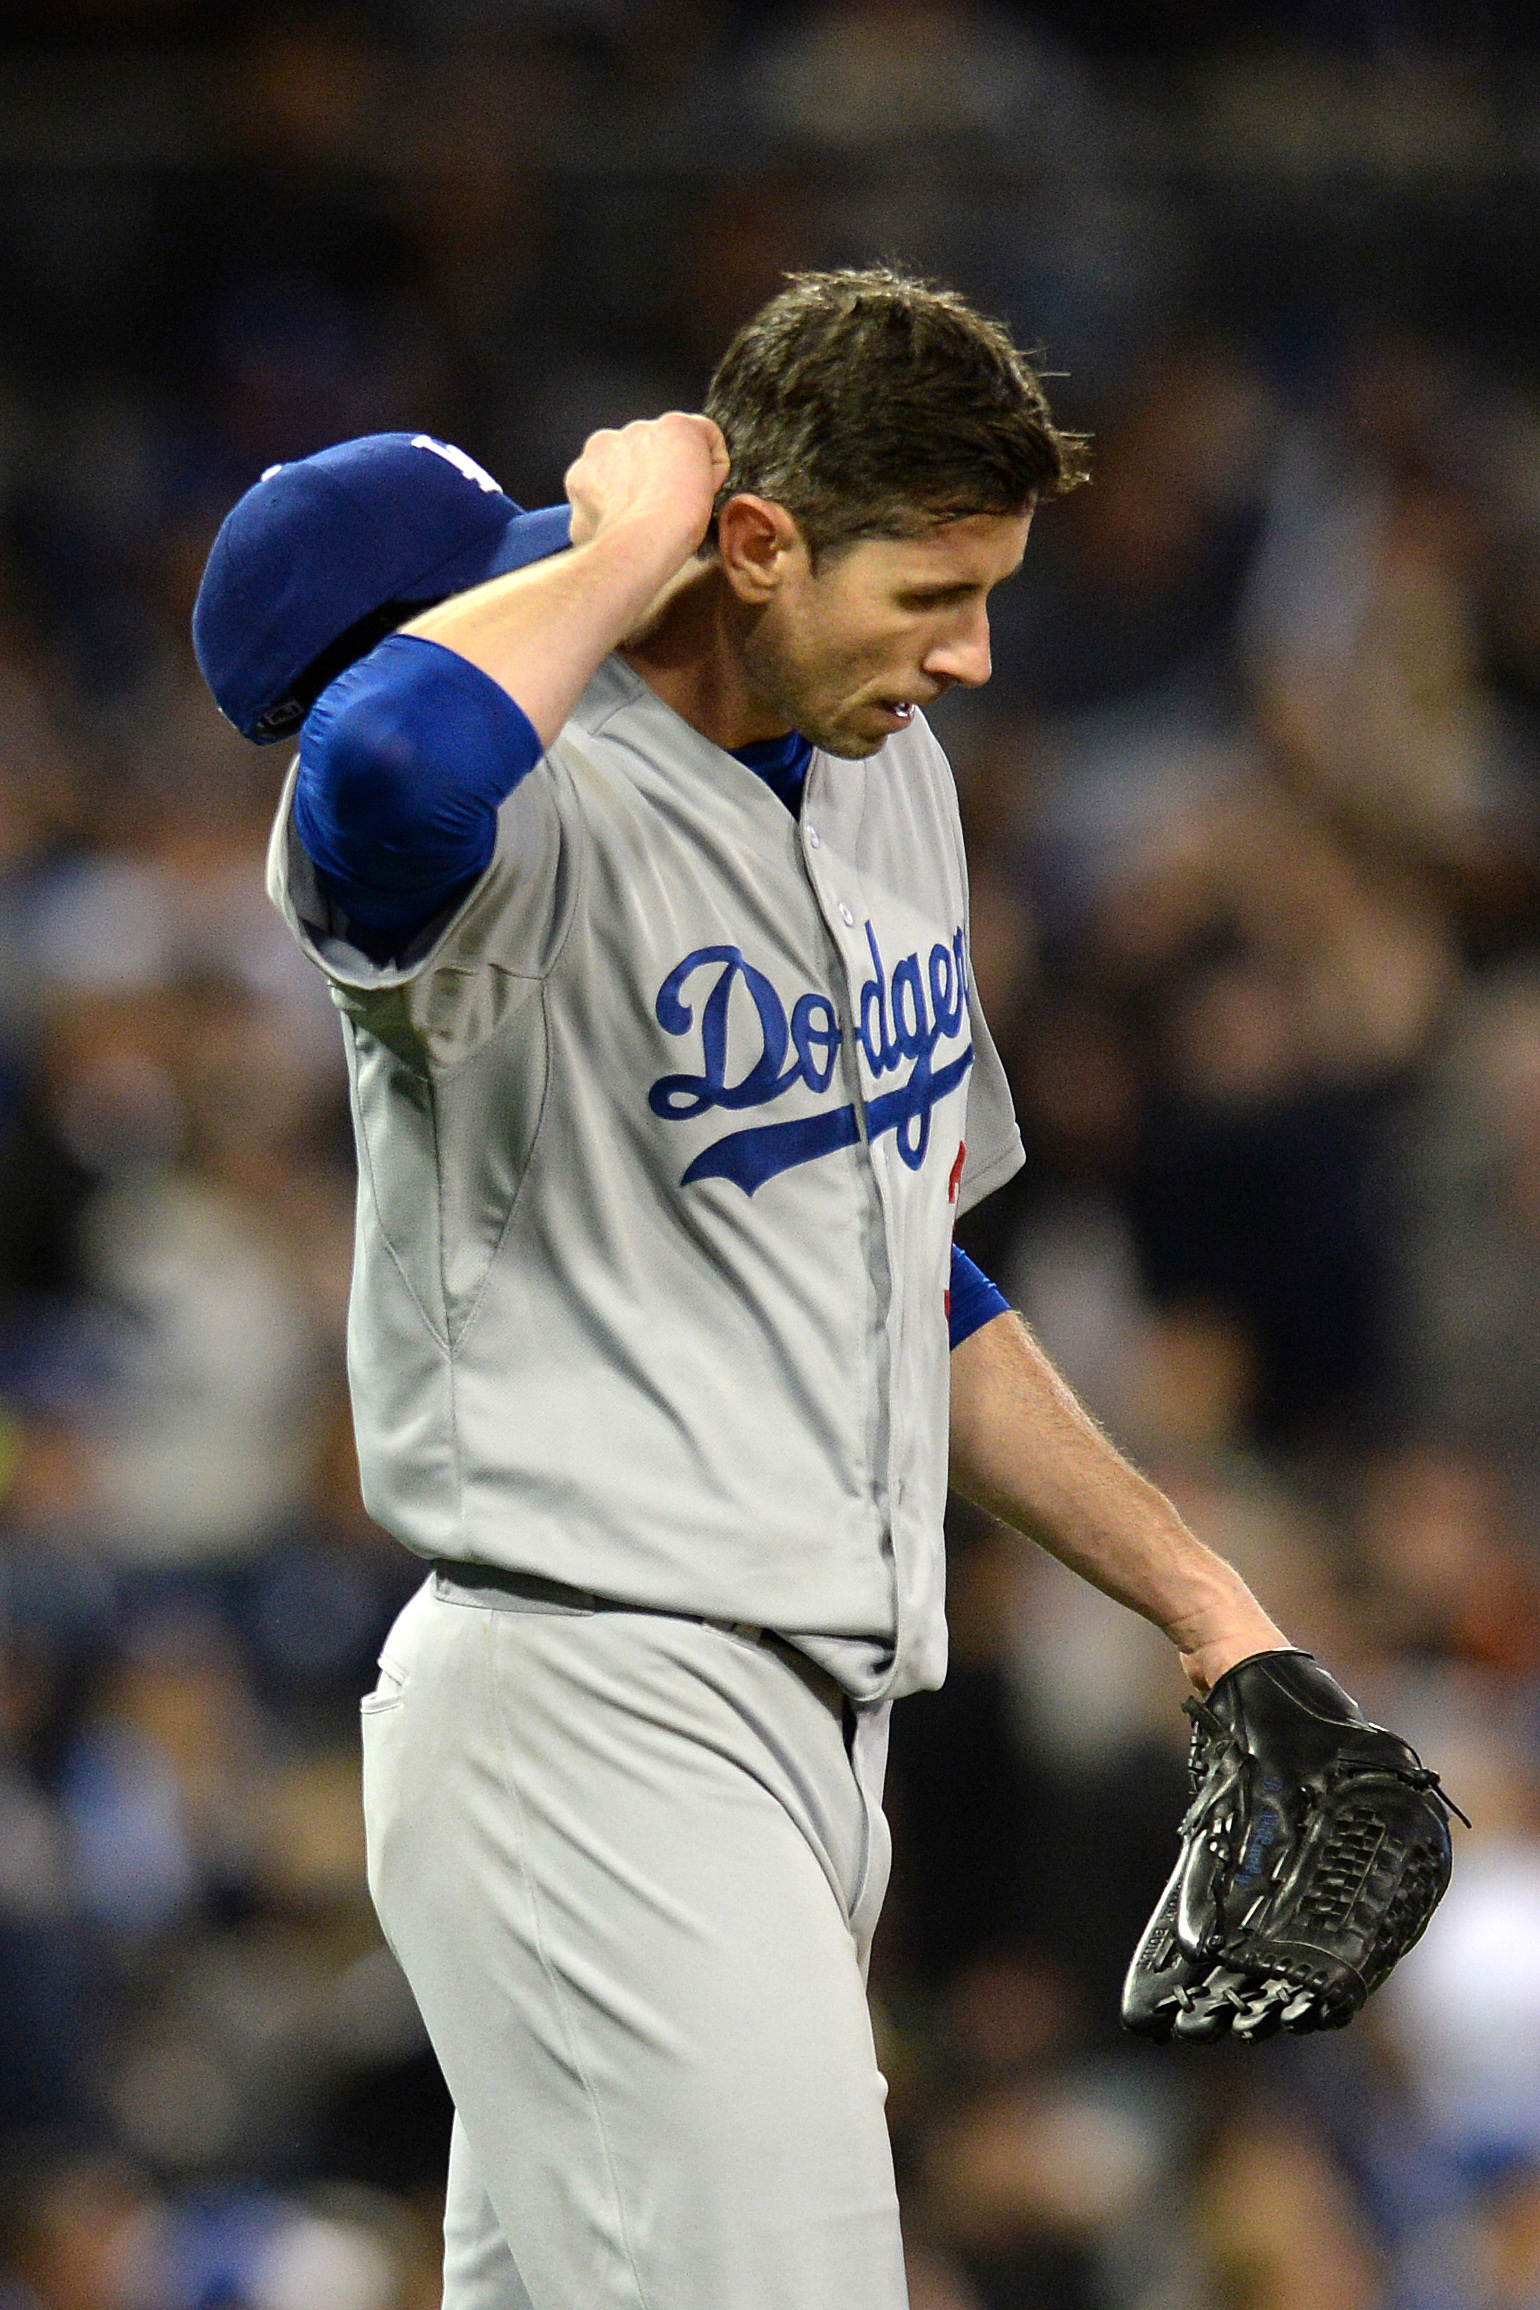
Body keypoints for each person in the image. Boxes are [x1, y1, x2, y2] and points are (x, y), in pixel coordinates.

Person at [194, 269, 1291, 2310]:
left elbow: (899, 1275)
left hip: (806, 1731)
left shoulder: (885, 771)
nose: (966, 656)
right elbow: (378, 784)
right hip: (593, 1695)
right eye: (924, 597)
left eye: (988, 594)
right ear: (758, 543)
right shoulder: (509, 816)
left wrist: (1206, 1606)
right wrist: (619, 539)